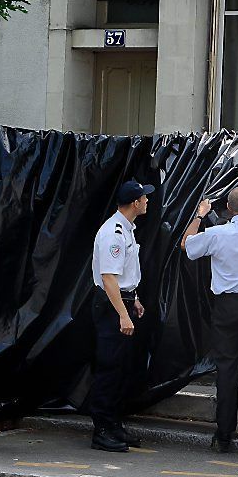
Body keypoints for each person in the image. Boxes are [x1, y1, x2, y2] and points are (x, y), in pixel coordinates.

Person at [181, 170, 238, 452]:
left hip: (227, 307)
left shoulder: (216, 234)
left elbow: (187, 246)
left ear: (228, 210)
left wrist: (199, 215)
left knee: (226, 368)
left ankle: (224, 434)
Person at [90, 180, 154, 452]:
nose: (147, 201)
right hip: (111, 307)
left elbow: (124, 276)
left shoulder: (127, 230)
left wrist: (134, 300)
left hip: (123, 301)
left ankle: (114, 423)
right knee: (109, 368)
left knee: (121, 369)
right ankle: (102, 429)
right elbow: (108, 278)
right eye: (144, 198)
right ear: (134, 203)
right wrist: (122, 315)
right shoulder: (114, 233)